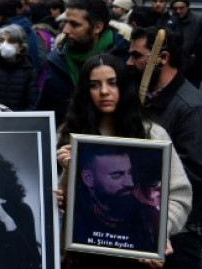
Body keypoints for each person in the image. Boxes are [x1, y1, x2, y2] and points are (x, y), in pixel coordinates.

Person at [57, 54, 191, 268]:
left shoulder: (153, 135)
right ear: (84, 91)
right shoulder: (67, 136)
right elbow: (55, 206)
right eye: (94, 85)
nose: (104, 91)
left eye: (112, 83)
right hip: (83, 258)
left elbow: (179, 196)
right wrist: (67, 171)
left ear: (124, 87)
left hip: (137, 260)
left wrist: (157, 234)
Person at [127, 27, 202, 269]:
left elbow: (198, 173)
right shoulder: (148, 97)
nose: (129, 62)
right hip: (151, 215)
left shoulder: (192, 109)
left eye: (136, 56)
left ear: (162, 58)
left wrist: (138, 174)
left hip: (182, 229)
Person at [39, 0, 130, 121]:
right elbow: (44, 109)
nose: (65, 30)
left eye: (74, 25)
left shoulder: (125, 59)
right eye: (66, 22)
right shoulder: (57, 60)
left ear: (97, 27)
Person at [0, 24, 39, 111]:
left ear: (20, 47)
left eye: (10, 41)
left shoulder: (28, 70)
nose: (4, 44)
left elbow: (32, 104)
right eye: (2, 40)